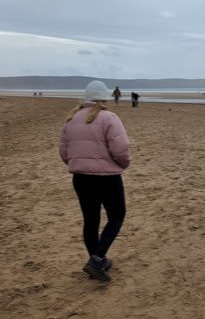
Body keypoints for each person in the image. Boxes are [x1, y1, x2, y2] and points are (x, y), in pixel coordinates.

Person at [59, 80, 131, 281]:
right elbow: (121, 150)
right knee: (117, 215)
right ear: (104, 97)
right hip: (107, 178)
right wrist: (122, 166)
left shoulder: (71, 119)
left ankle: (97, 260)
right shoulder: (109, 117)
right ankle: (97, 259)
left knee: (91, 220)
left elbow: (63, 152)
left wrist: (77, 163)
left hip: (81, 178)